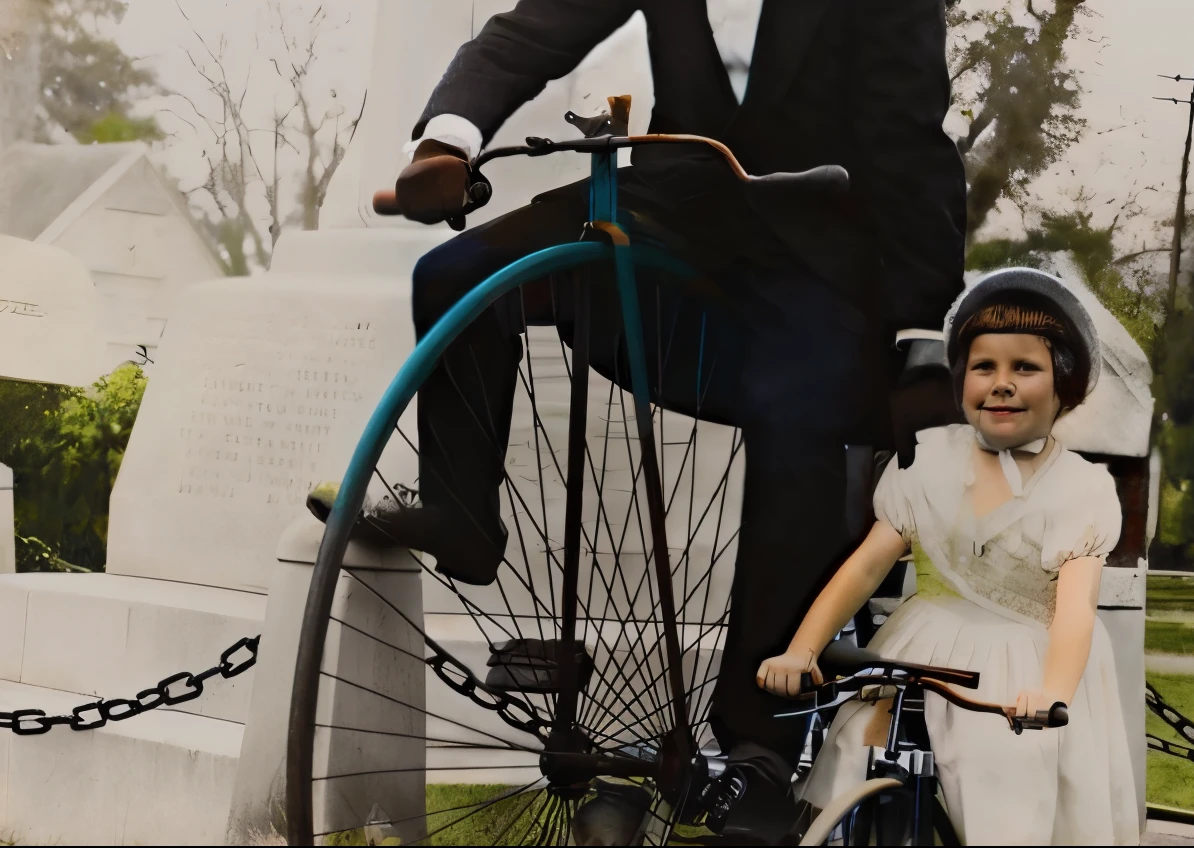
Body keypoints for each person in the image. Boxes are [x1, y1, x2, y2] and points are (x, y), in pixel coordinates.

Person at [312, 1, 966, 839]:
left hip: (812, 232)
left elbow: (908, 139)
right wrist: (449, 139)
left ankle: (759, 752)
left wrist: (922, 330)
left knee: (799, 416)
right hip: (673, 208)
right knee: (455, 273)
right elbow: (532, 31)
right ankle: (462, 513)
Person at [757, 269, 1140, 845]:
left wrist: (1053, 689)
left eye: (1025, 368)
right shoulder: (931, 463)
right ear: (961, 379)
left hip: (1022, 665)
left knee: (1001, 783)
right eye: (984, 367)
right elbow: (865, 567)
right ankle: (856, 827)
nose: (1002, 384)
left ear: (1065, 386)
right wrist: (802, 648)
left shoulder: (1078, 489)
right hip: (922, 647)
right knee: (860, 740)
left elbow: (1074, 610)